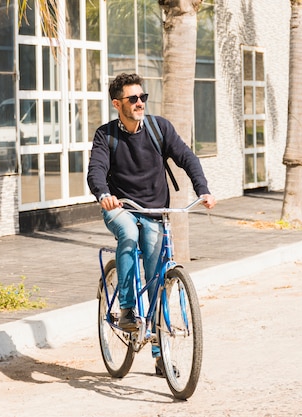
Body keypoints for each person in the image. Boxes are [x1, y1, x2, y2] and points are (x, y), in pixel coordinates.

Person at [87, 73, 216, 374]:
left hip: (155, 208)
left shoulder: (159, 128)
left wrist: (203, 189)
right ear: (117, 103)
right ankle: (129, 310)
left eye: (142, 97)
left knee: (158, 278)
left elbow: (186, 157)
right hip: (122, 206)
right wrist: (104, 194)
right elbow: (96, 169)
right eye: (133, 99)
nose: (139, 103)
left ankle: (161, 354)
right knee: (129, 235)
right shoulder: (106, 136)